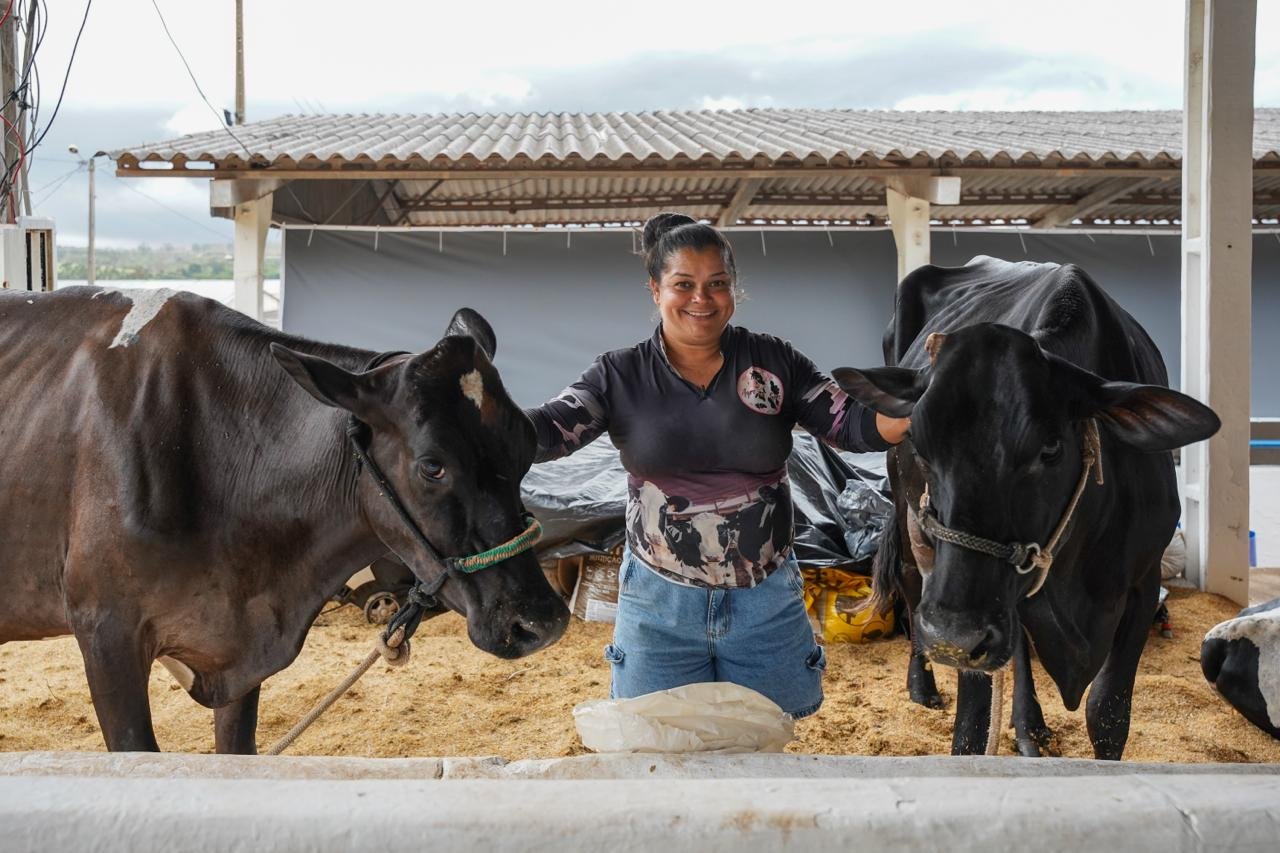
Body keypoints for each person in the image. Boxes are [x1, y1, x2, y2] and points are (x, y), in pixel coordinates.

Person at [526, 213, 909, 718]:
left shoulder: (774, 362)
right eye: (683, 284)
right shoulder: (619, 374)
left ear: (734, 290)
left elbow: (851, 425)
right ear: (655, 290)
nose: (701, 299)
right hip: (658, 604)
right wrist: (477, 417)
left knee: (767, 735)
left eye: (717, 284)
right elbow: (551, 431)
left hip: (765, 602)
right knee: (659, 736)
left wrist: (918, 409)